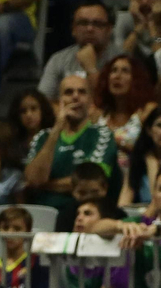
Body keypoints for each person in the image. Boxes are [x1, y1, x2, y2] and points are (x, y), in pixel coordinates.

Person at [22, 73, 119, 214]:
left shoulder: (102, 134)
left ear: (90, 101)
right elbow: (34, 179)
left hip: (83, 213)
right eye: (69, 92)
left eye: (82, 92)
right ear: (58, 101)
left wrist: (45, 185)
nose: (75, 96)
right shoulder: (43, 137)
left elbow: (89, 184)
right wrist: (56, 129)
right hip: (43, 213)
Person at [38, 0, 117, 100]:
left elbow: (114, 106)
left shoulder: (121, 60)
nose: (90, 29)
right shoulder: (58, 60)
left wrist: (90, 68)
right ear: (73, 29)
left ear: (109, 30)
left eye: (97, 23)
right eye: (83, 23)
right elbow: (42, 102)